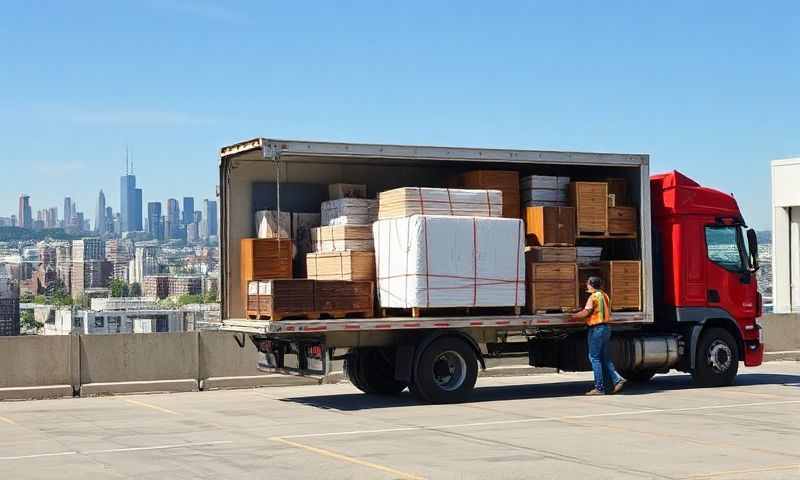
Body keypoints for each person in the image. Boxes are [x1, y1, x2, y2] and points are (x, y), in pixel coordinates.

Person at [571, 276, 625, 395]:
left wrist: (573, 316)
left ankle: (599, 388)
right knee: (604, 357)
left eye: (587, 283)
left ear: (591, 284)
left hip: (596, 329)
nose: (586, 285)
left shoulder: (593, 296)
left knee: (594, 358)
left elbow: (586, 312)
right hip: (606, 328)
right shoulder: (604, 295)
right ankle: (616, 379)